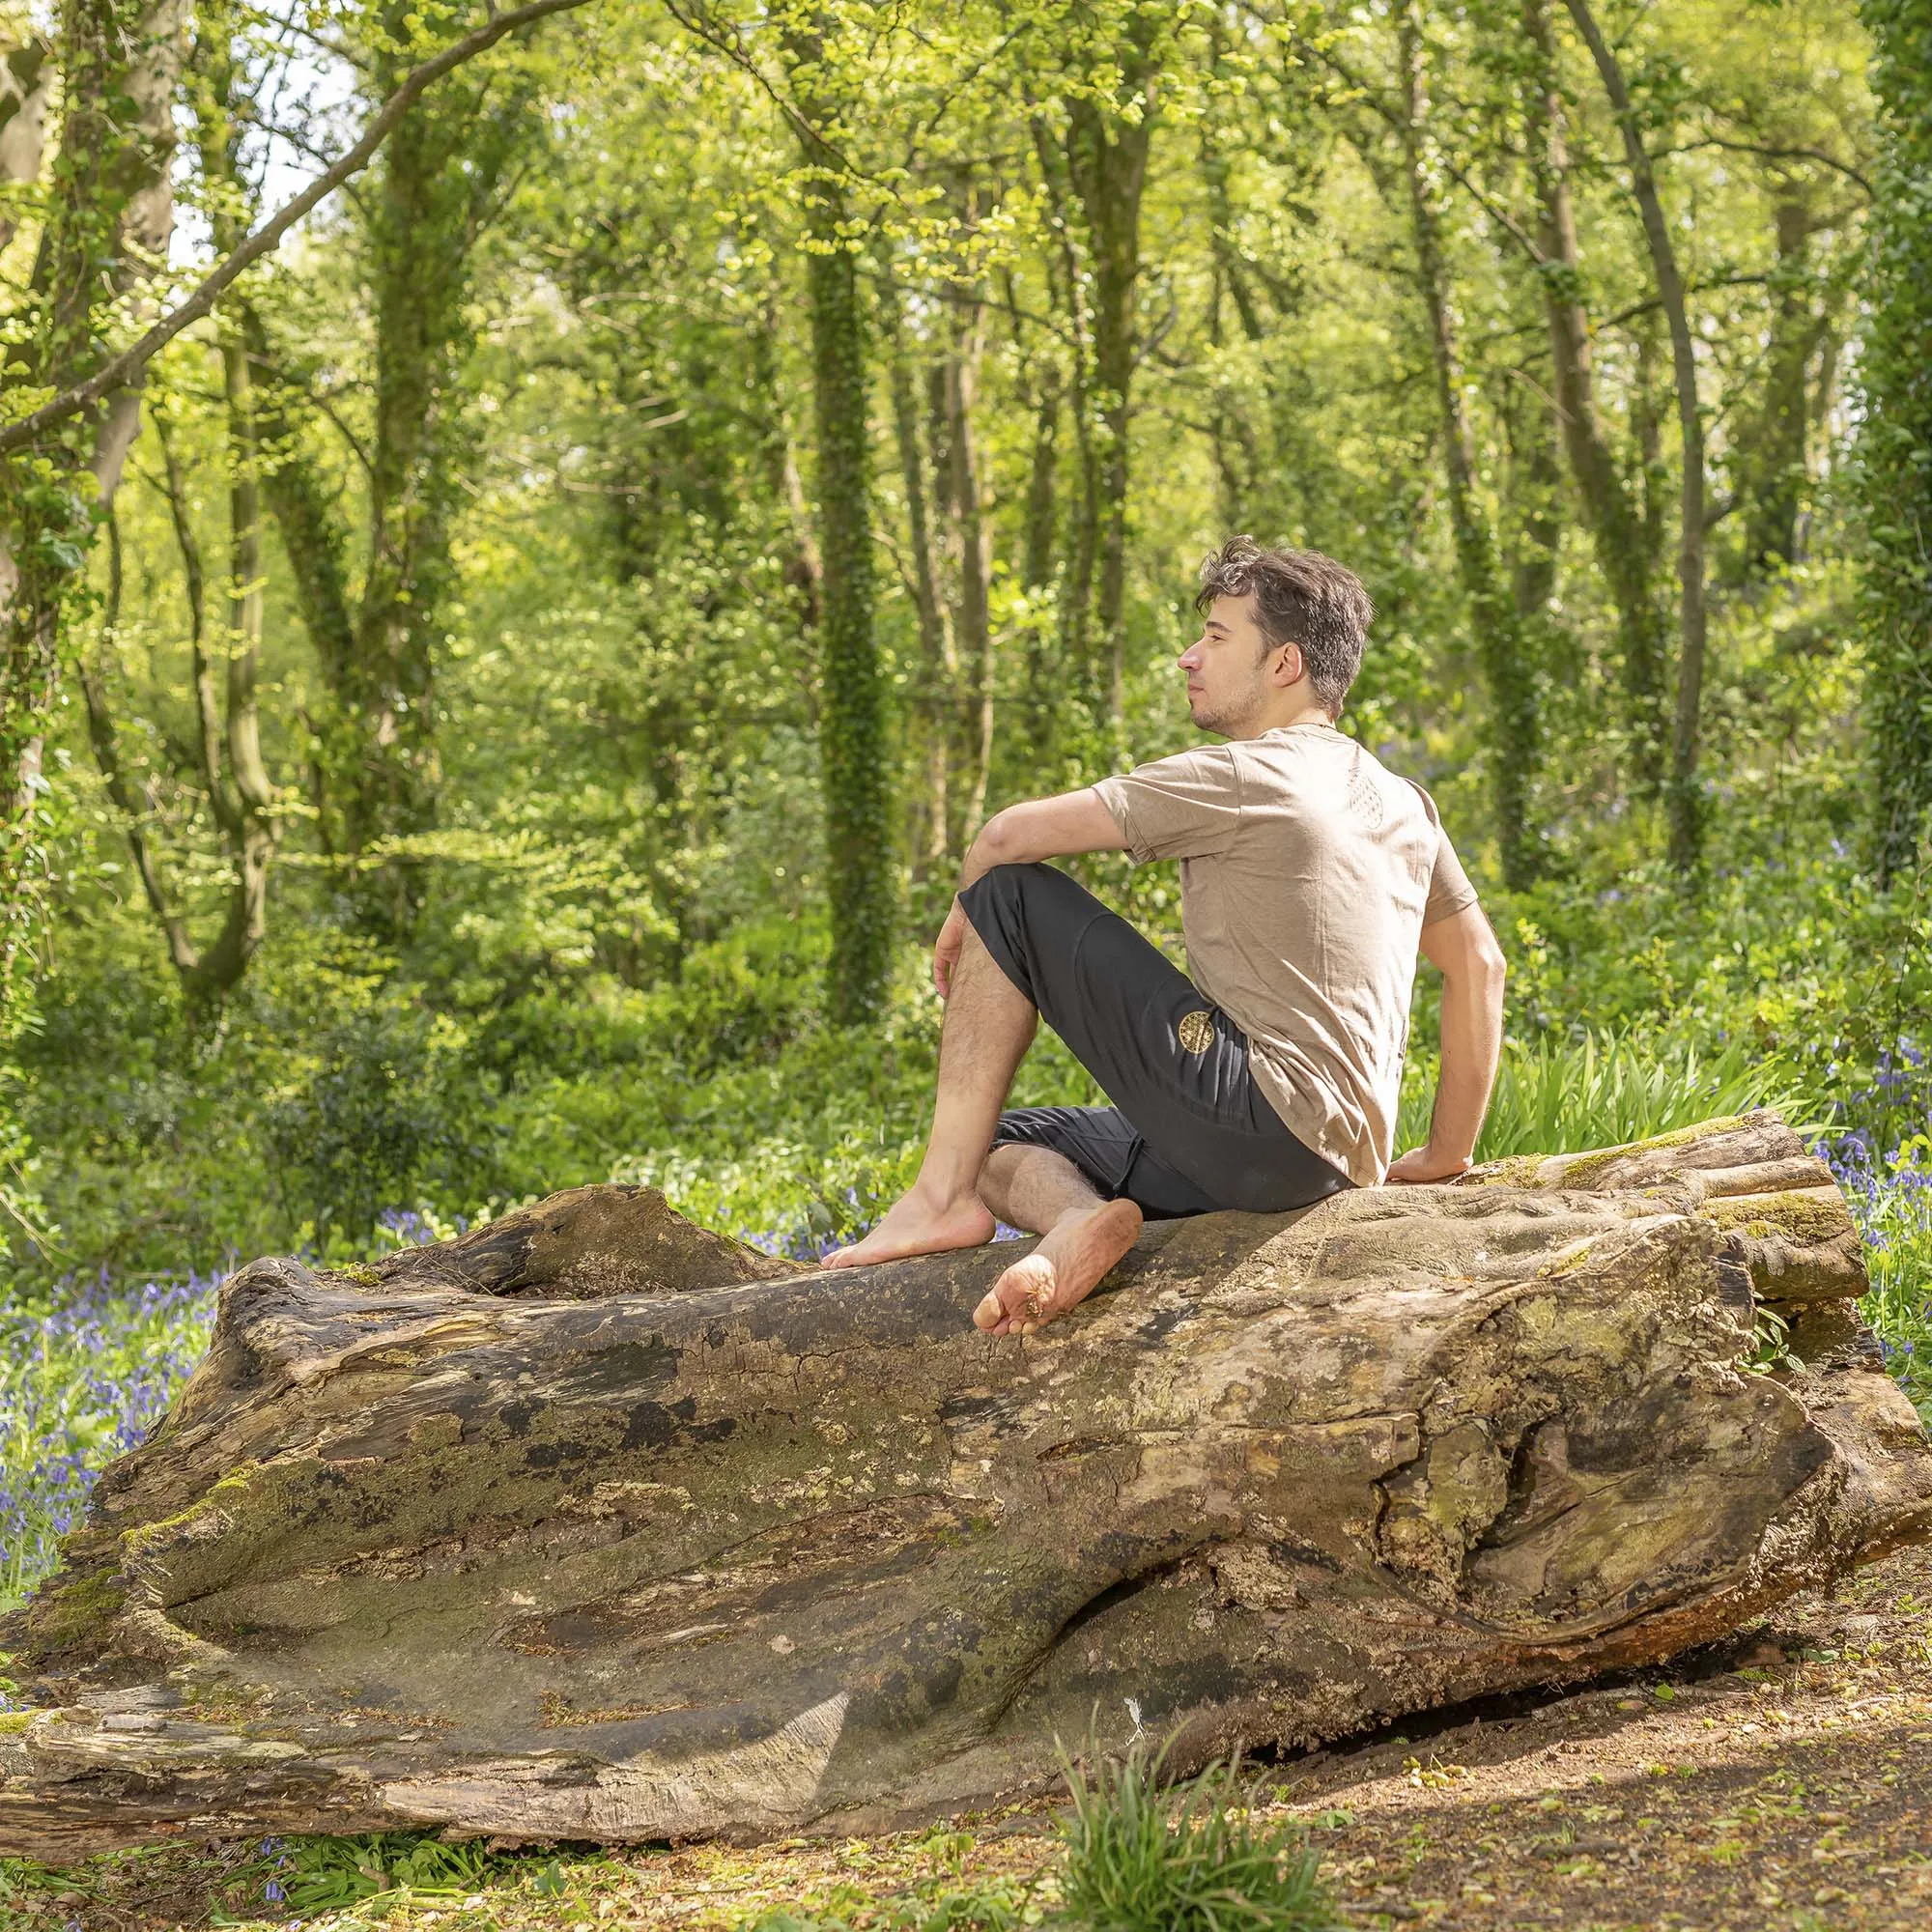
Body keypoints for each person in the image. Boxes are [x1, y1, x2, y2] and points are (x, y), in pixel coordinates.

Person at [823, 535, 1507, 1337]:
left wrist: (968, 911)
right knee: (1000, 1143)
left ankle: (935, 1204)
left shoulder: (1252, 773)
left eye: (1217, 637)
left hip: (1257, 1116)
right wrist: (1443, 1153)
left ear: (1284, 665)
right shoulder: (1403, 801)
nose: (1190, 657)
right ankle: (1078, 1222)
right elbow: (1482, 967)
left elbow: (1006, 837)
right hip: (1325, 1167)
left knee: (1010, 894)